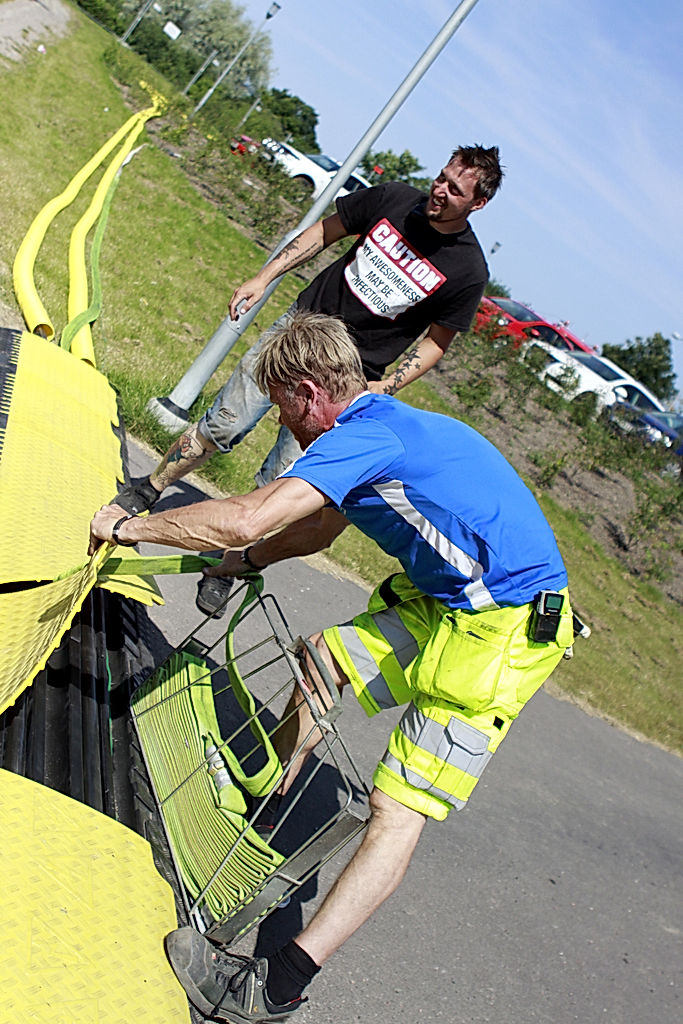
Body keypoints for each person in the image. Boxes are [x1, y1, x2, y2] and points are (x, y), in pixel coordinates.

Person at [90, 311, 577, 1024]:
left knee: (396, 810)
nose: (281, 422)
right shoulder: (374, 427)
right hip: (451, 600)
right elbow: (318, 527)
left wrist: (130, 526)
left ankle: (274, 988)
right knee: (322, 661)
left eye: (281, 406)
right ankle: (259, 816)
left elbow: (248, 515)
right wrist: (247, 562)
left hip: (504, 631)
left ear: (309, 392)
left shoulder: (364, 437)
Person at [114, 145, 504, 615]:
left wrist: (385, 388)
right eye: (440, 178)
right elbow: (323, 232)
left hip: (348, 378)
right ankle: (150, 487)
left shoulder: (468, 269)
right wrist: (264, 277)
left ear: (478, 203)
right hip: (298, 333)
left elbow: (437, 342)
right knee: (224, 423)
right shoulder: (395, 199)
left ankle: (224, 565)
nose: (439, 191)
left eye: (454, 190)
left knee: (283, 479)